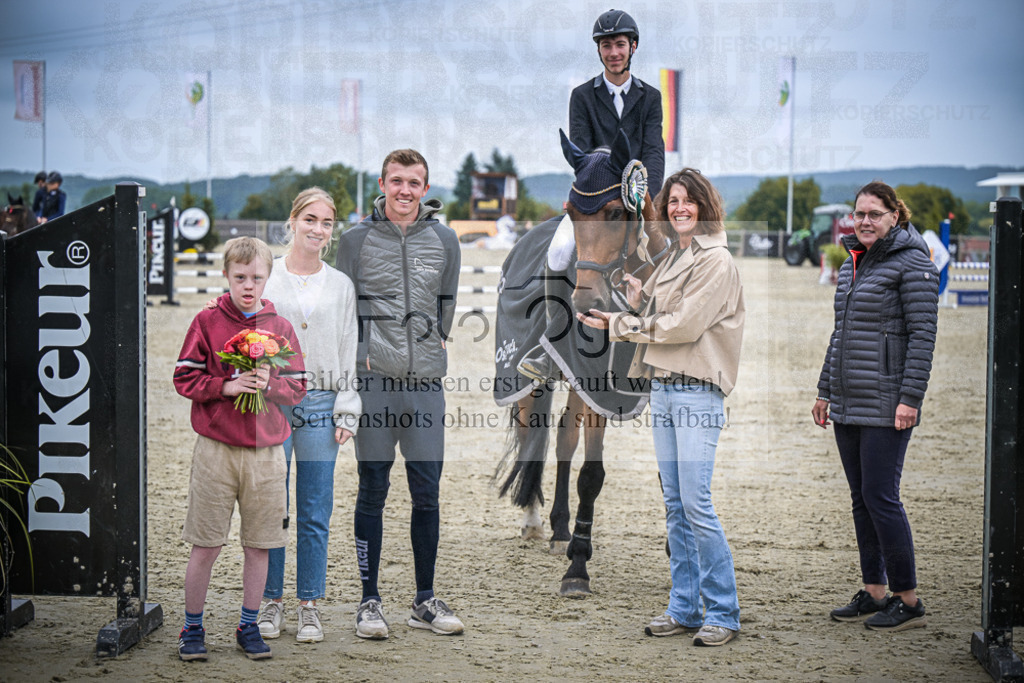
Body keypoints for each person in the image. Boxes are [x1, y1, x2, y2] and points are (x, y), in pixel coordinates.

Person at [578, 168, 744, 647]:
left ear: (705, 206)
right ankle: (685, 606)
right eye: (672, 201)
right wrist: (635, 303)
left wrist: (621, 325)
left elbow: (684, 326)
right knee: (675, 505)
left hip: (697, 391)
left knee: (695, 504)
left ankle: (723, 611)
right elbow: (659, 316)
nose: (679, 208)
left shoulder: (715, 261)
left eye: (688, 200)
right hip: (666, 387)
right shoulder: (675, 256)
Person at [335, 149, 464, 640]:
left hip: (426, 385)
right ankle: (369, 600)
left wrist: (435, 340)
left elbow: (447, 301)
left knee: (426, 493)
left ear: (425, 188)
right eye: (396, 181)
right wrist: (363, 353)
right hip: (375, 384)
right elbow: (344, 306)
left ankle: (424, 599)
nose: (404, 190)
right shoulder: (355, 240)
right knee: (373, 489)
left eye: (414, 182)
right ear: (382, 185)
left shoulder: (446, 240)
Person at [173, 236, 307, 661]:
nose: (248, 286)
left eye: (257, 278)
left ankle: (249, 625)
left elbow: (298, 388)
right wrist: (225, 386)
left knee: (260, 544)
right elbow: (183, 377)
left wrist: (271, 383)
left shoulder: (280, 327)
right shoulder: (207, 321)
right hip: (216, 449)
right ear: (226, 275)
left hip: (266, 453)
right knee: (206, 544)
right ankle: (192, 626)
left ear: (268, 278)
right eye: (240, 277)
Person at [813, 181, 938, 632]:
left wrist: (910, 399)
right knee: (861, 500)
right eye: (859, 214)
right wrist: (825, 390)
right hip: (848, 400)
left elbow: (923, 337)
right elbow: (840, 334)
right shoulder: (852, 263)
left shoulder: (913, 262)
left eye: (874, 214)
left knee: (882, 499)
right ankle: (875, 591)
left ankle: (909, 600)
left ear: (894, 216)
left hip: (888, 403)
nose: (865, 221)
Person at [253, 188, 362, 644]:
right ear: (293, 221)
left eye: (326, 222)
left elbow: (348, 347)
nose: (318, 229)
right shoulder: (267, 277)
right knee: (272, 508)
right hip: (272, 404)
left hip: (321, 405)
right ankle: (271, 600)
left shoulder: (340, 285)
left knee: (315, 510)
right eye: (310, 220)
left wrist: (347, 408)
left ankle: (309, 606)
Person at [569, 8, 665, 197]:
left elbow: (653, 151)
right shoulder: (581, 96)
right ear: (599, 50)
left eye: (620, 45)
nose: (613, 53)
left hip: (639, 192)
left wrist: (647, 197)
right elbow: (582, 153)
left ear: (633, 47)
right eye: (606, 46)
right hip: (597, 192)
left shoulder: (651, 97)